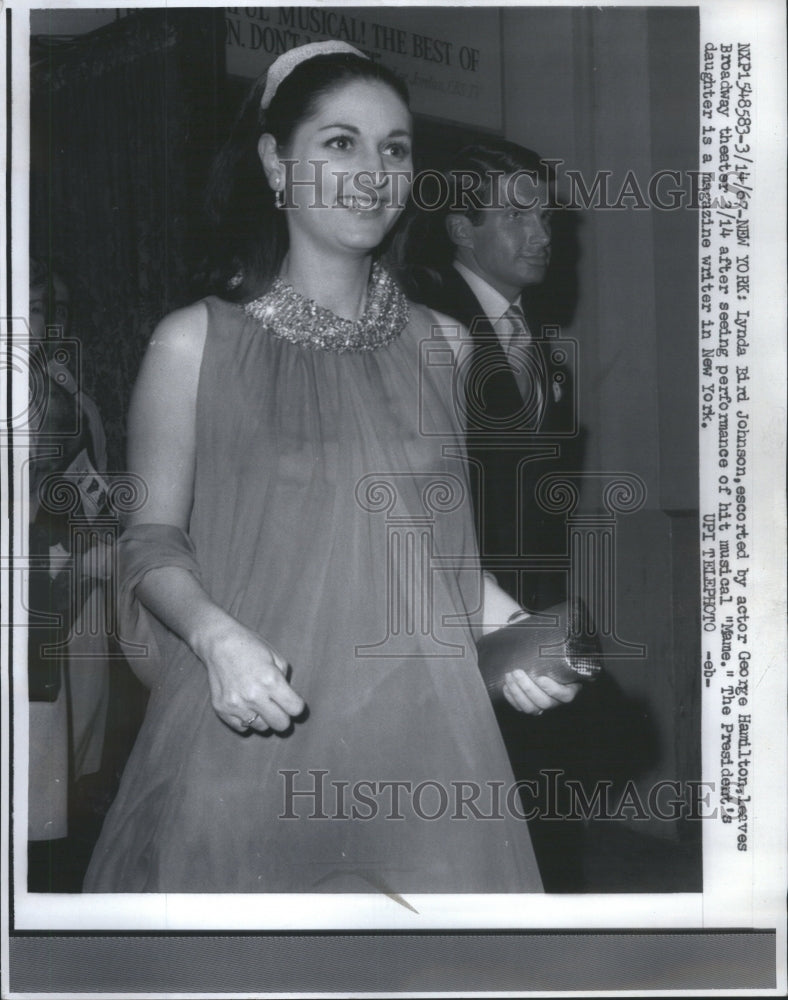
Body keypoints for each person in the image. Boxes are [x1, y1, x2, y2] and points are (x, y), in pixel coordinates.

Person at [83, 42, 580, 895]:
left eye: (394, 148)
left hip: (419, 741)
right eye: (339, 143)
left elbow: (439, 552)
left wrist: (511, 633)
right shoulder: (193, 341)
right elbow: (152, 539)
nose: (373, 171)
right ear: (277, 163)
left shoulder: (445, 345)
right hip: (249, 729)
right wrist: (215, 637)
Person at [396, 140, 575, 611]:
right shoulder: (421, 323)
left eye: (545, 218)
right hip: (443, 603)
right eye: (516, 217)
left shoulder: (540, 344)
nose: (541, 236)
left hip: (525, 608)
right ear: (462, 230)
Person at [27, 256, 112, 890]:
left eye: (54, 310)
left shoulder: (60, 383)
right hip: (34, 567)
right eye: (34, 307)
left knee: (70, 721)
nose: (47, 323)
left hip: (70, 560)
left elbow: (87, 469)